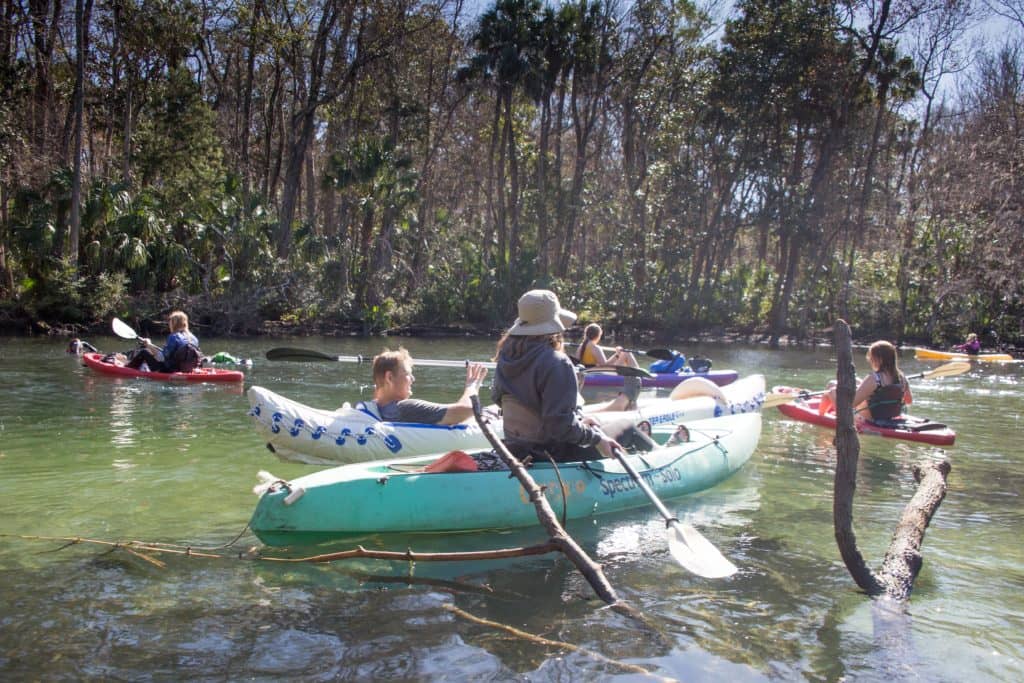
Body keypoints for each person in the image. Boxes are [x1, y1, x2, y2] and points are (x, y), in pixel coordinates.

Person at [491, 289, 630, 463]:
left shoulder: (505, 357)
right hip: (552, 454)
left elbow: (498, 398)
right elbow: (560, 427)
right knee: (628, 428)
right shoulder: (557, 362)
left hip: (517, 449)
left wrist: (579, 422)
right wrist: (596, 439)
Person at [369, 348, 488, 425]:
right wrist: (472, 386)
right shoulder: (405, 407)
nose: (413, 379)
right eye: (408, 374)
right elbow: (468, 410)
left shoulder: (375, 407)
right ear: (389, 377)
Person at [819, 340, 913, 421]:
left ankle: (820, 419)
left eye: (871, 358)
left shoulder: (874, 378)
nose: (870, 360)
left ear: (879, 359)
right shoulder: (902, 377)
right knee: (834, 383)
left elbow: (851, 404)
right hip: (891, 416)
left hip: (869, 419)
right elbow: (908, 401)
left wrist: (839, 392)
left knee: (830, 391)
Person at [577, 322, 642, 410]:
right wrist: (617, 355)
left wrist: (617, 354)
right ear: (598, 336)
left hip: (588, 372)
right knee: (627, 353)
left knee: (624, 354)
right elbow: (605, 365)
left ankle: (634, 373)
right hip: (597, 373)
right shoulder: (596, 348)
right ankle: (638, 374)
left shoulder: (581, 347)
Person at [126, 311, 202, 373]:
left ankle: (127, 369)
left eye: (170, 323)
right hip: (186, 369)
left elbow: (162, 358)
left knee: (144, 352)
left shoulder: (174, 336)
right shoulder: (194, 338)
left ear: (173, 324)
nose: (169, 325)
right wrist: (151, 345)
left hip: (169, 370)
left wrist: (148, 345)